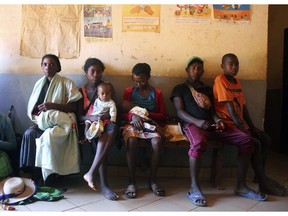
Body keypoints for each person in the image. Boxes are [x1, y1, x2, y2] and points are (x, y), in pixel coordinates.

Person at [171, 56, 268, 207]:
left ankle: (241, 186)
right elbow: (179, 111)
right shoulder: (180, 88)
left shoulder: (207, 89)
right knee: (198, 142)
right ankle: (194, 188)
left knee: (246, 139)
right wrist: (198, 121)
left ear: (203, 71)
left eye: (199, 68)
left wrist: (218, 120)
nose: (196, 71)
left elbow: (213, 110)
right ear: (187, 70)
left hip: (211, 125)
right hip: (193, 125)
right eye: (193, 68)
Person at [213, 53, 287, 196]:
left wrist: (252, 128)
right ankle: (261, 182)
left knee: (265, 138)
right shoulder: (220, 80)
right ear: (223, 66)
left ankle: (259, 177)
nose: (234, 67)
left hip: (238, 124)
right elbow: (230, 110)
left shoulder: (237, 82)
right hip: (227, 125)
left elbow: (243, 107)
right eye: (230, 64)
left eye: (237, 64)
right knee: (254, 142)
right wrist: (244, 130)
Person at [19, 54, 82, 185]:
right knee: (29, 134)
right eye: (45, 64)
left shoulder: (66, 83)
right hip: (44, 122)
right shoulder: (39, 84)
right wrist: (37, 123)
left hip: (61, 123)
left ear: (58, 67)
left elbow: (74, 107)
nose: (48, 67)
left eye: (52, 64)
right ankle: (33, 174)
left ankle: (51, 175)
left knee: (49, 137)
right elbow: (35, 109)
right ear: (42, 67)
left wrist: (52, 106)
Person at [120, 63, 167, 198]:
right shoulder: (129, 91)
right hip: (132, 123)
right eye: (135, 81)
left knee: (157, 143)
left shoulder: (156, 93)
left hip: (151, 123)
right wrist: (133, 116)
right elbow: (123, 112)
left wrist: (145, 114)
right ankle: (131, 182)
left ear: (149, 77)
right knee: (132, 140)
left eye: (142, 81)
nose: (139, 84)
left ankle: (152, 181)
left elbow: (163, 115)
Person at [77, 58, 118, 200]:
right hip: (90, 126)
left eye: (99, 72)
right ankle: (103, 183)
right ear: (86, 73)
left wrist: (105, 116)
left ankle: (98, 179)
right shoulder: (80, 91)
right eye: (92, 71)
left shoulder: (107, 88)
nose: (95, 75)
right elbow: (79, 117)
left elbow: (114, 108)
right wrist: (92, 119)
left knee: (110, 132)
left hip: (106, 124)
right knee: (100, 141)